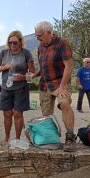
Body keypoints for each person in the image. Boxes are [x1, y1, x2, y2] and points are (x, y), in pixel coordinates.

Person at [32, 21, 75, 152]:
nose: (37, 38)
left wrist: (62, 86)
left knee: (65, 104)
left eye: (40, 35)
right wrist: (34, 74)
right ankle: (51, 139)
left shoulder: (62, 43)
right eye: (36, 35)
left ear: (49, 33)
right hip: (45, 85)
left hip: (59, 83)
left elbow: (69, 66)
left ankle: (70, 138)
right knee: (46, 115)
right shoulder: (41, 46)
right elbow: (44, 66)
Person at [0, 30, 35, 141]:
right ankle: (6, 139)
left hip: (21, 88)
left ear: (20, 42)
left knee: (17, 114)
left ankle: (17, 139)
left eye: (15, 42)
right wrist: (4, 67)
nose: (12, 45)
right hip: (6, 88)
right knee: (7, 114)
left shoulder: (26, 53)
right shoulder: (3, 53)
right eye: (10, 42)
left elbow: (33, 72)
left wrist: (24, 77)